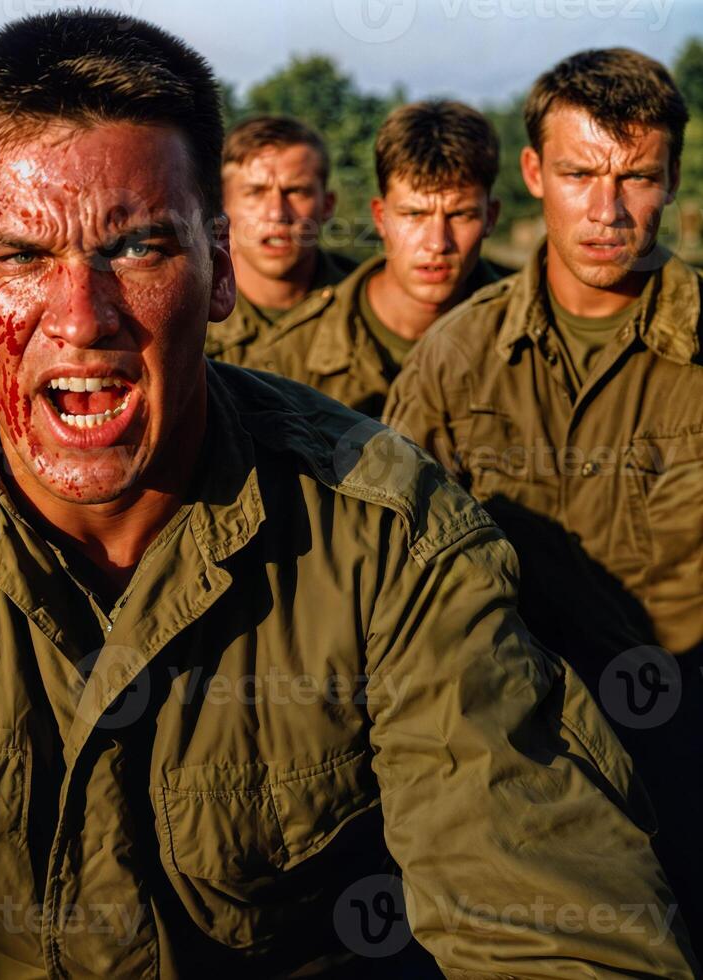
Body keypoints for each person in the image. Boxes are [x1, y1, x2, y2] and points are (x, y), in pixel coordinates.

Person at [0, 16, 695, 977]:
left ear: (218, 270)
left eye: (137, 247)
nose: (80, 317)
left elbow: (548, 910)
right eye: (22, 254)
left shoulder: (382, 532)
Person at [384, 47, 703, 951]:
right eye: (579, 174)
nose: (607, 211)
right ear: (533, 174)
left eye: (637, 177)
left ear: (673, 177)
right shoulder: (455, 357)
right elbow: (390, 582)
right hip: (510, 757)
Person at [241, 100, 504, 416]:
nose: (437, 243)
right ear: (380, 217)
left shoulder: (535, 346)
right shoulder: (289, 357)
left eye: (460, 215)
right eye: (414, 214)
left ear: (490, 217)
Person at [205, 115, 354, 368]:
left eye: (296, 192)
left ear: (327, 205)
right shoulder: (187, 306)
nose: (277, 213)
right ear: (222, 204)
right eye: (255, 192)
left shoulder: (367, 306)